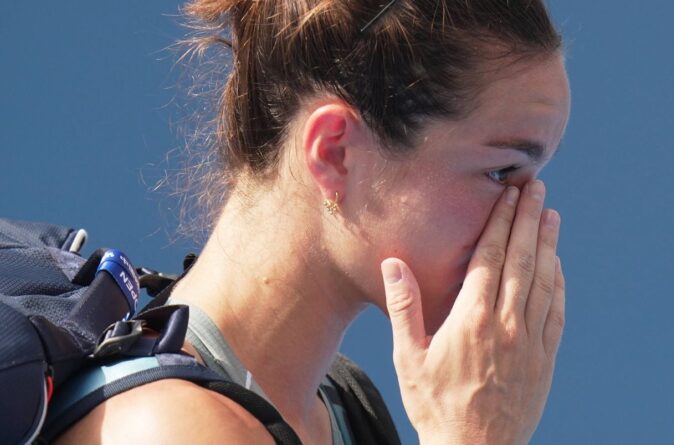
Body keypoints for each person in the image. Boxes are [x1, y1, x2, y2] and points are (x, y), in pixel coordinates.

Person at [57, 0, 571, 443]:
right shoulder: (164, 428)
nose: (529, 218)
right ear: (336, 153)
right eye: (502, 171)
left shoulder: (347, 404)